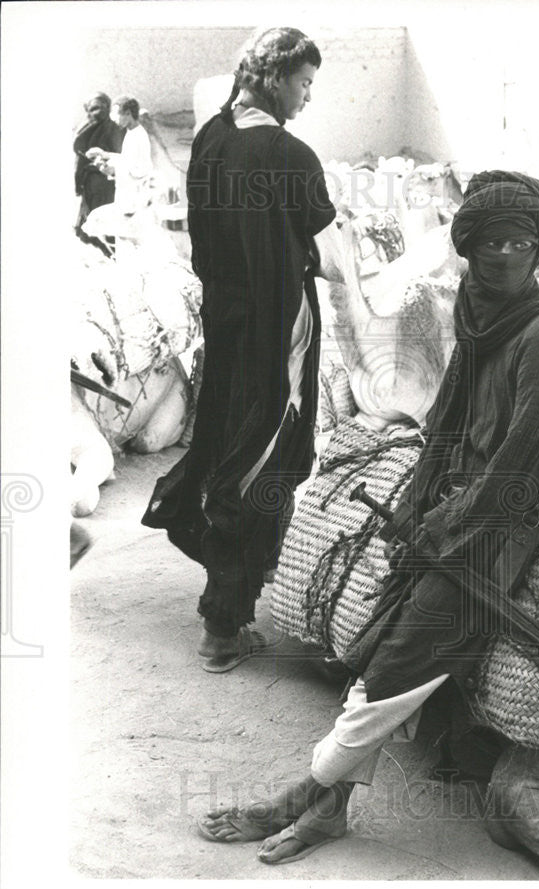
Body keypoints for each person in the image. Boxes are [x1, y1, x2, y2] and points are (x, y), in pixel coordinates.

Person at [197, 171, 539, 862]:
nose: (501, 256)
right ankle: (329, 812)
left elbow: (526, 457)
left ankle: (294, 795)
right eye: (488, 241)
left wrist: (454, 518)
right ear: (465, 246)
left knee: (406, 652)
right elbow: (446, 422)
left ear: (538, 248)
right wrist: (418, 501)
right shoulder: (476, 309)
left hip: (505, 514)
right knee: (378, 637)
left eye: (518, 242)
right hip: (452, 497)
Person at [142, 27, 336, 669]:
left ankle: (228, 604)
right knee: (265, 465)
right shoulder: (291, 154)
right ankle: (223, 627)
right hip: (277, 331)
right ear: (277, 77)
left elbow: (200, 236)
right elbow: (317, 230)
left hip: (226, 326)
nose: (307, 97)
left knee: (225, 447)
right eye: (304, 83)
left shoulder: (211, 140)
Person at [85, 96, 153, 217]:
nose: (115, 120)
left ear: (128, 114)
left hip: (135, 199)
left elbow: (141, 170)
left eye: (118, 115)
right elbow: (127, 158)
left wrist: (114, 171)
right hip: (128, 195)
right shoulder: (131, 132)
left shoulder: (139, 136)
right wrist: (104, 154)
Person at [73, 92, 124, 249]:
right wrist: (78, 182)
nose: (94, 113)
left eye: (98, 108)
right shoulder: (87, 128)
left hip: (106, 180)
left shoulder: (115, 129)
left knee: (104, 215)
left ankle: (107, 246)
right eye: (91, 109)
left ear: (107, 107)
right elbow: (79, 153)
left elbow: (119, 155)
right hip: (89, 180)